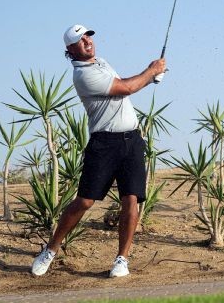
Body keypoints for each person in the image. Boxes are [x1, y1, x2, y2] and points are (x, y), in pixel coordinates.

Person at [31, 24, 166, 277]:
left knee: (131, 199)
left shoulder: (100, 62)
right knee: (85, 200)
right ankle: (50, 249)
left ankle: (121, 260)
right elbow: (125, 88)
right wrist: (150, 71)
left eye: (87, 37)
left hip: (132, 141)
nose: (86, 41)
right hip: (104, 143)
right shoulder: (83, 75)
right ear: (70, 49)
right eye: (79, 40)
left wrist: (151, 77)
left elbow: (122, 89)